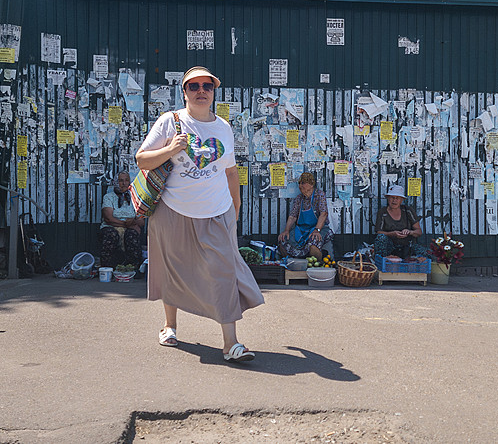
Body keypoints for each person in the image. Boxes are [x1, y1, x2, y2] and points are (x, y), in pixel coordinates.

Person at [135, 66, 264, 363]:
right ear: (184, 92)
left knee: (223, 274)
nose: (201, 91)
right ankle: (170, 326)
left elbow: (231, 172)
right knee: (172, 270)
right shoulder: (170, 121)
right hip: (172, 211)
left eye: (207, 85)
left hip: (216, 212)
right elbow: (142, 158)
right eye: (194, 87)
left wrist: (236, 207)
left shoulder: (223, 128)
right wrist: (170, 149)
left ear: (214, 91)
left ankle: (231, 344)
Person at [277, 172, 334, 261]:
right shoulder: (299, 198)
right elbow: (292, 216)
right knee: (283, 240)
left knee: (314, 243)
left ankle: (316, 265)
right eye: (299, 183)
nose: (300, 185)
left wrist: (317, 230)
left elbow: (323, 214)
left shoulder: (319, 195)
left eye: (303, 183)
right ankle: (292, 263)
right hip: (301, 230)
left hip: (317, 228)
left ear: (311, 184)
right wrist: (286, 230)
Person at [99, 171, 144, 268]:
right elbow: (108, 218)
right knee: (111, 234)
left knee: (131, 234)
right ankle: (107, 268)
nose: (124, 183)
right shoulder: (109, 197)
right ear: (116, 182)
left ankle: (133, 268)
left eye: (126, 180)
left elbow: (141, 221)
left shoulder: (134, 198)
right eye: (121, 181)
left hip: (129, 227)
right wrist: (127, 224)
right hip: (111, 226)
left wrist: (134, 222)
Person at [374, 184, 424, 259]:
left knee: (426, 255)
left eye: (397, 198)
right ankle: (382, 262)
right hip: (390, 247)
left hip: (407, 246)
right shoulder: (382, 212)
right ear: (388, 199)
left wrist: (409, 232)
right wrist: (392, 234)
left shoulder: (408, 211)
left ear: (402, 200)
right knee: (381, 238)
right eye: (392, 198)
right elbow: (378, 232)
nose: (394, 200)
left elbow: (419, 232)